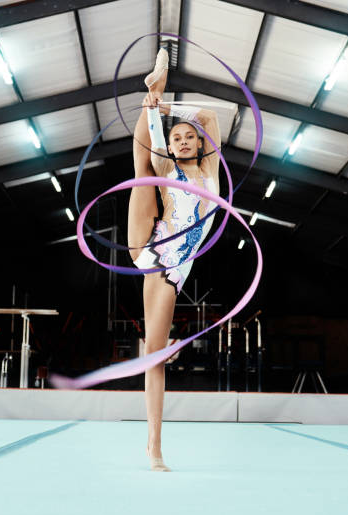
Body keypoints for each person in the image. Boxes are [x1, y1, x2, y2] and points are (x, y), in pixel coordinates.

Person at [127, 48, 221, 471]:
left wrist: (173, 108)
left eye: (189, 137)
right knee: (143, 167)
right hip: (155, 253)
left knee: (157, 353)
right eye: (177, 137)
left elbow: (212, 116)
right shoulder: (170, 168)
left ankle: (155, 92)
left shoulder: (211, 173)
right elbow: (153, 142)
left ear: (201, 144)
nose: (183, 140)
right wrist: (156, 111)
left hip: (178, 267)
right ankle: (155, 447)